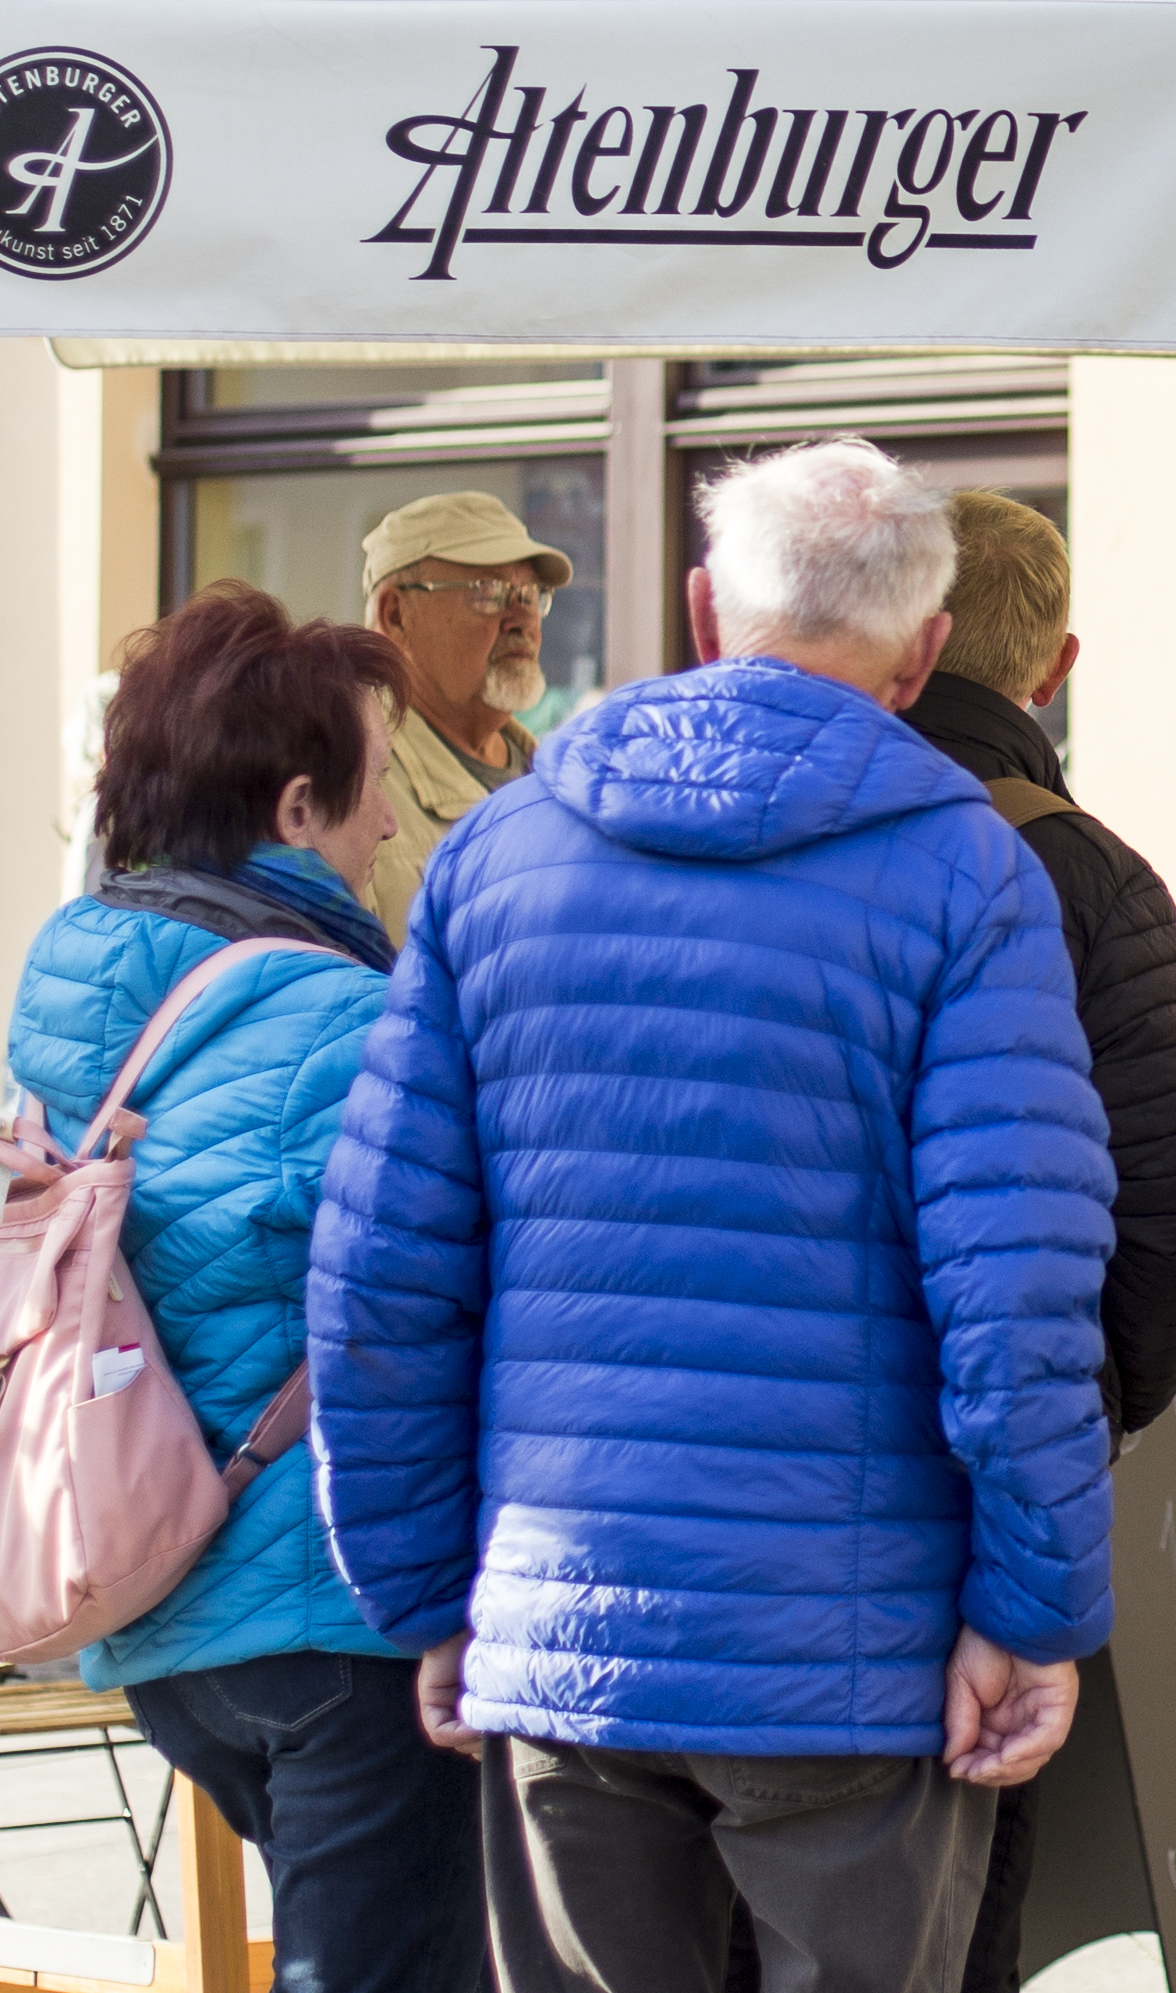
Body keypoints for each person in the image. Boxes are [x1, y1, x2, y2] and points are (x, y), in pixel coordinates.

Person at [308, 439, 1119, 1993]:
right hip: (850, 1651)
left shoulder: (497, 857)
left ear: (701, 607)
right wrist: (1032, 1606)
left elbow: (382, 1275)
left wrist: (428, 1592)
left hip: (561, 1631)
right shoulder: (966, 874)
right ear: (930, 650)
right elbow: (1016, 1293)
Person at [4, 583, 478, 1993]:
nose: (389, 823)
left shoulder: (74, 986)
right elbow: (427, 1300)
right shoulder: (336, 1014)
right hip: (333, 1605)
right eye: (374, 789)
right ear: (292, 810)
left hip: (163, 1593)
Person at [903, 490, 1176, 1993]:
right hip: (977, 1476)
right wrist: (1099, 1405)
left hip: (649, 1501)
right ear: (1058, 664)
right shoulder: (1081, 868)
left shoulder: (700, 837)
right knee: (955, 1898)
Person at [355, 490, 575, 946]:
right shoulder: (350, 788)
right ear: (395, 614)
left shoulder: (561, 781)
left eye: (531, 595)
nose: (522, 619)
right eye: (488, 593)